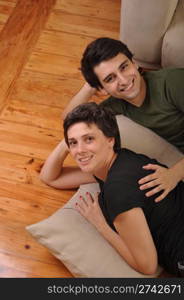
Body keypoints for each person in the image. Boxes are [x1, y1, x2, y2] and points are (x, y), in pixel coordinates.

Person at [40, 102, 184, 277]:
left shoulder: (117, 192)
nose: (80, 150)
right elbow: (51, 177)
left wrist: (100, 224)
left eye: (89, 139)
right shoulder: (122, 160)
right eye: (73, 143)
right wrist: (68, 140)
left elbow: (147, 266)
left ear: (110, 139)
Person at [62, 37, 184, 202]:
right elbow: (71, 120)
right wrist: (89, 87)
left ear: (134, 63)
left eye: (124, 67)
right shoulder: (116, 105)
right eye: (110, 79)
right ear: (101, 89)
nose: (124, 80)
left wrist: (174, 174)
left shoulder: (172, 83)